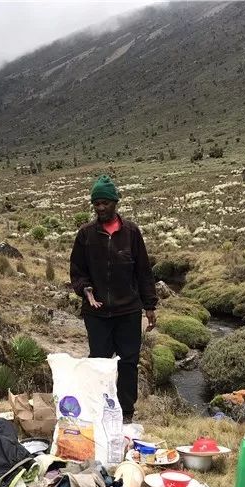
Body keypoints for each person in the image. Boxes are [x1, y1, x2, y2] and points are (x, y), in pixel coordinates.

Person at [69, 175, 158, 424]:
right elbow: (77, 271)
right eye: (96, 203)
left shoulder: (131, 232)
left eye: (104, 203)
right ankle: (98, 408)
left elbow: (143, 271)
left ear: (115, 203)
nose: (100, 208)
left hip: (128, 311)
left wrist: (150, 305)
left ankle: (126, 412)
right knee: (99, 362)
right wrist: (85, 289)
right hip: (96, 313)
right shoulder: (85, 234)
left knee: (128, 362)